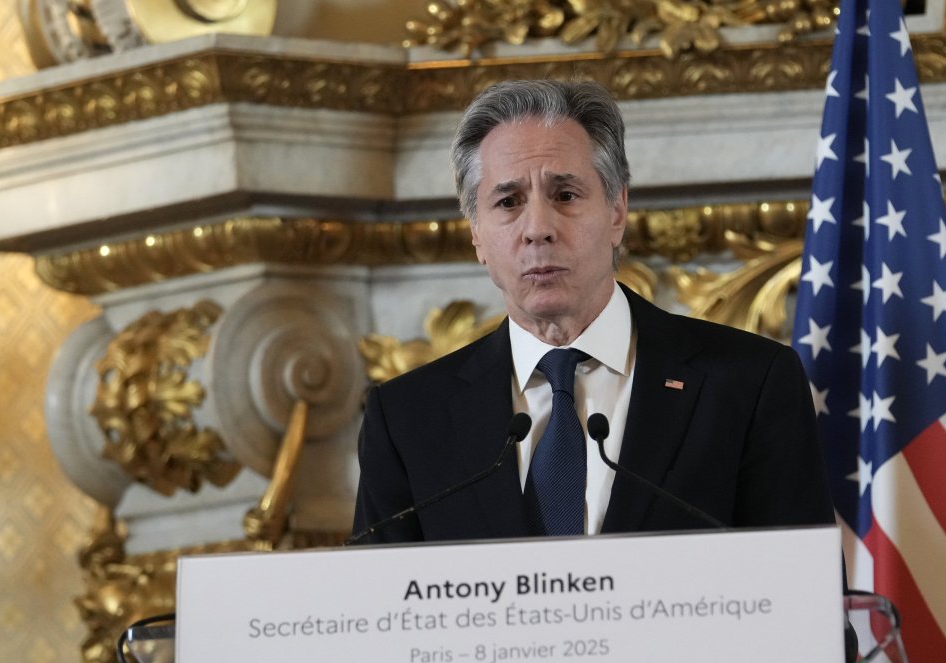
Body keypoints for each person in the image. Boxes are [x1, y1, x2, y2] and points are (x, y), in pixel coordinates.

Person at [351, 79, 835, 544]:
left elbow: (810, 609)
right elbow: (379, 613)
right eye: (508, 201)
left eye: (565, 195)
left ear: (617, 211)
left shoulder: (749, 385)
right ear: (477, 235)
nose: (537, 228)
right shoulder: (408, 419)